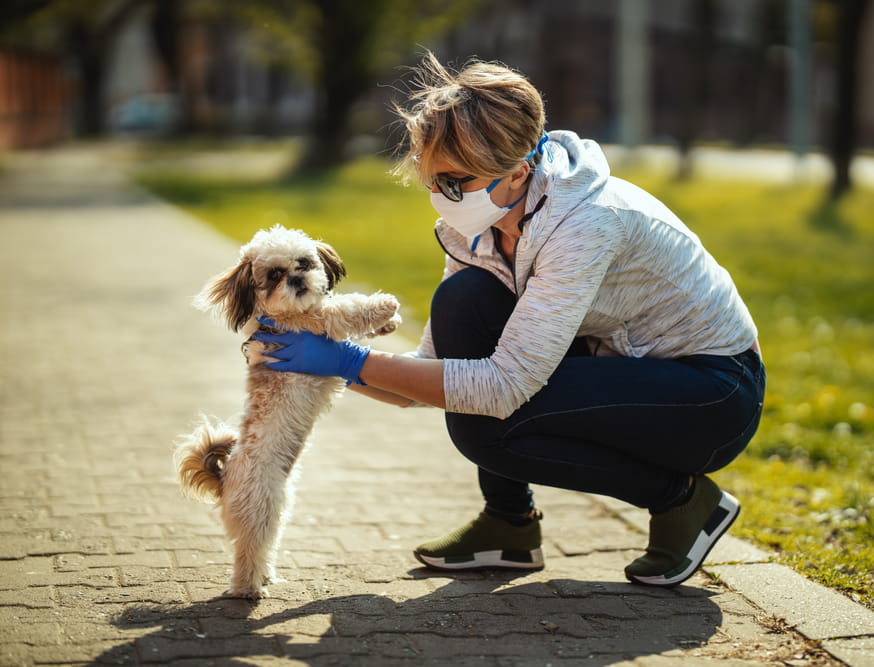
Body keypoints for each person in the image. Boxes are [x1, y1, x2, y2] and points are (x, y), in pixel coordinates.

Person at [252, 52, 766, 588]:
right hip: (616, 364)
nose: (439, 198)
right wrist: (322, 363)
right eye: (430, 181)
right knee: (463, 299)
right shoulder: (478, 223)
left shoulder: (586, 223)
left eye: (453, 182)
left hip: (710, 396)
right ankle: (509, 527)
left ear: (518, 171)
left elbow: (500, 387)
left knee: (487, 428)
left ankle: (684, 500)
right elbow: (427, 375)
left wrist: (348, 359)